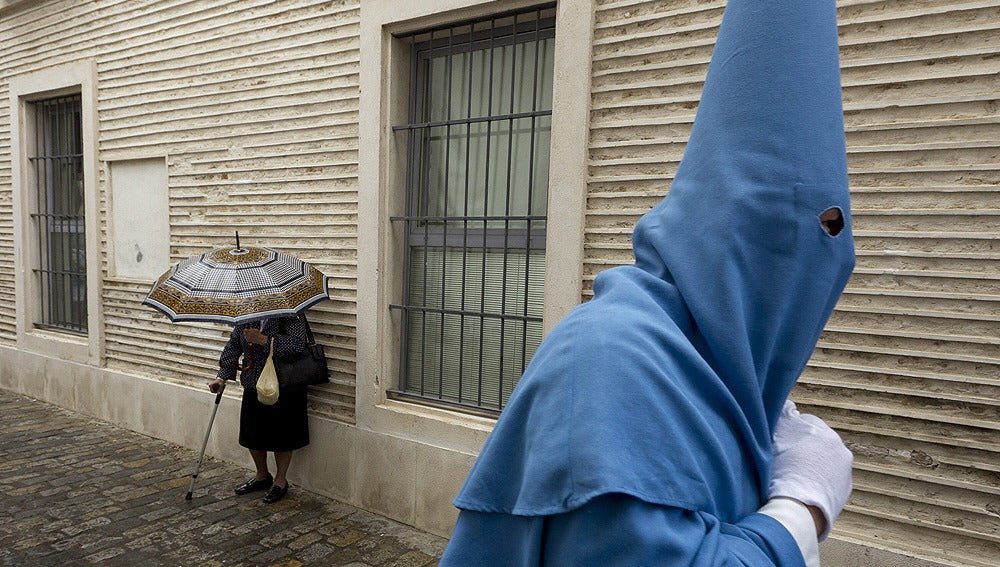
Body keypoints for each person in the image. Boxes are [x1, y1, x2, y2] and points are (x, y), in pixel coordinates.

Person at [440, 0, 854, 565]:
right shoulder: (611, 359)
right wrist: (800, 510)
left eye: (833, 236)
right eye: (785, 234)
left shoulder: (715, 366)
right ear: (715, 223)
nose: (809, 269)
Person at [208, 314, 310, 504]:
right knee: (251, 435)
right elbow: (233, 346)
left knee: (282, 438)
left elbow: (297, 345)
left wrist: (263, 340)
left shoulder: (291, 314)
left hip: (283, 384)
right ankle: (262, 476)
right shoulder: (247, 316)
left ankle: (280, 481)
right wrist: (221, 377)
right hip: (254, 383)